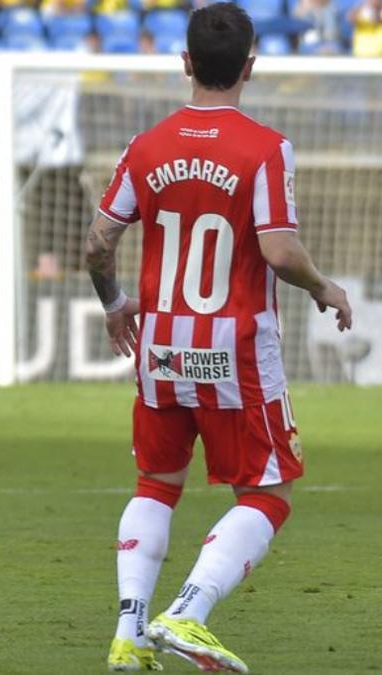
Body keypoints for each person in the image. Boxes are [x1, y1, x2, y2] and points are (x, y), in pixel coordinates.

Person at [88, 5, 353, 672]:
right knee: (268, 492)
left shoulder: (144, 147)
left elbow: (97, 243)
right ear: (251, 66)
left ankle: (129, 631)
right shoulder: (264, 148)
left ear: (185, 63)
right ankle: (189, 612)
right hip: (234, 351)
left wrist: (117, 302)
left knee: (156, 482)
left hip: (159, 347)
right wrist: (324, 287)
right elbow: (281, 250)